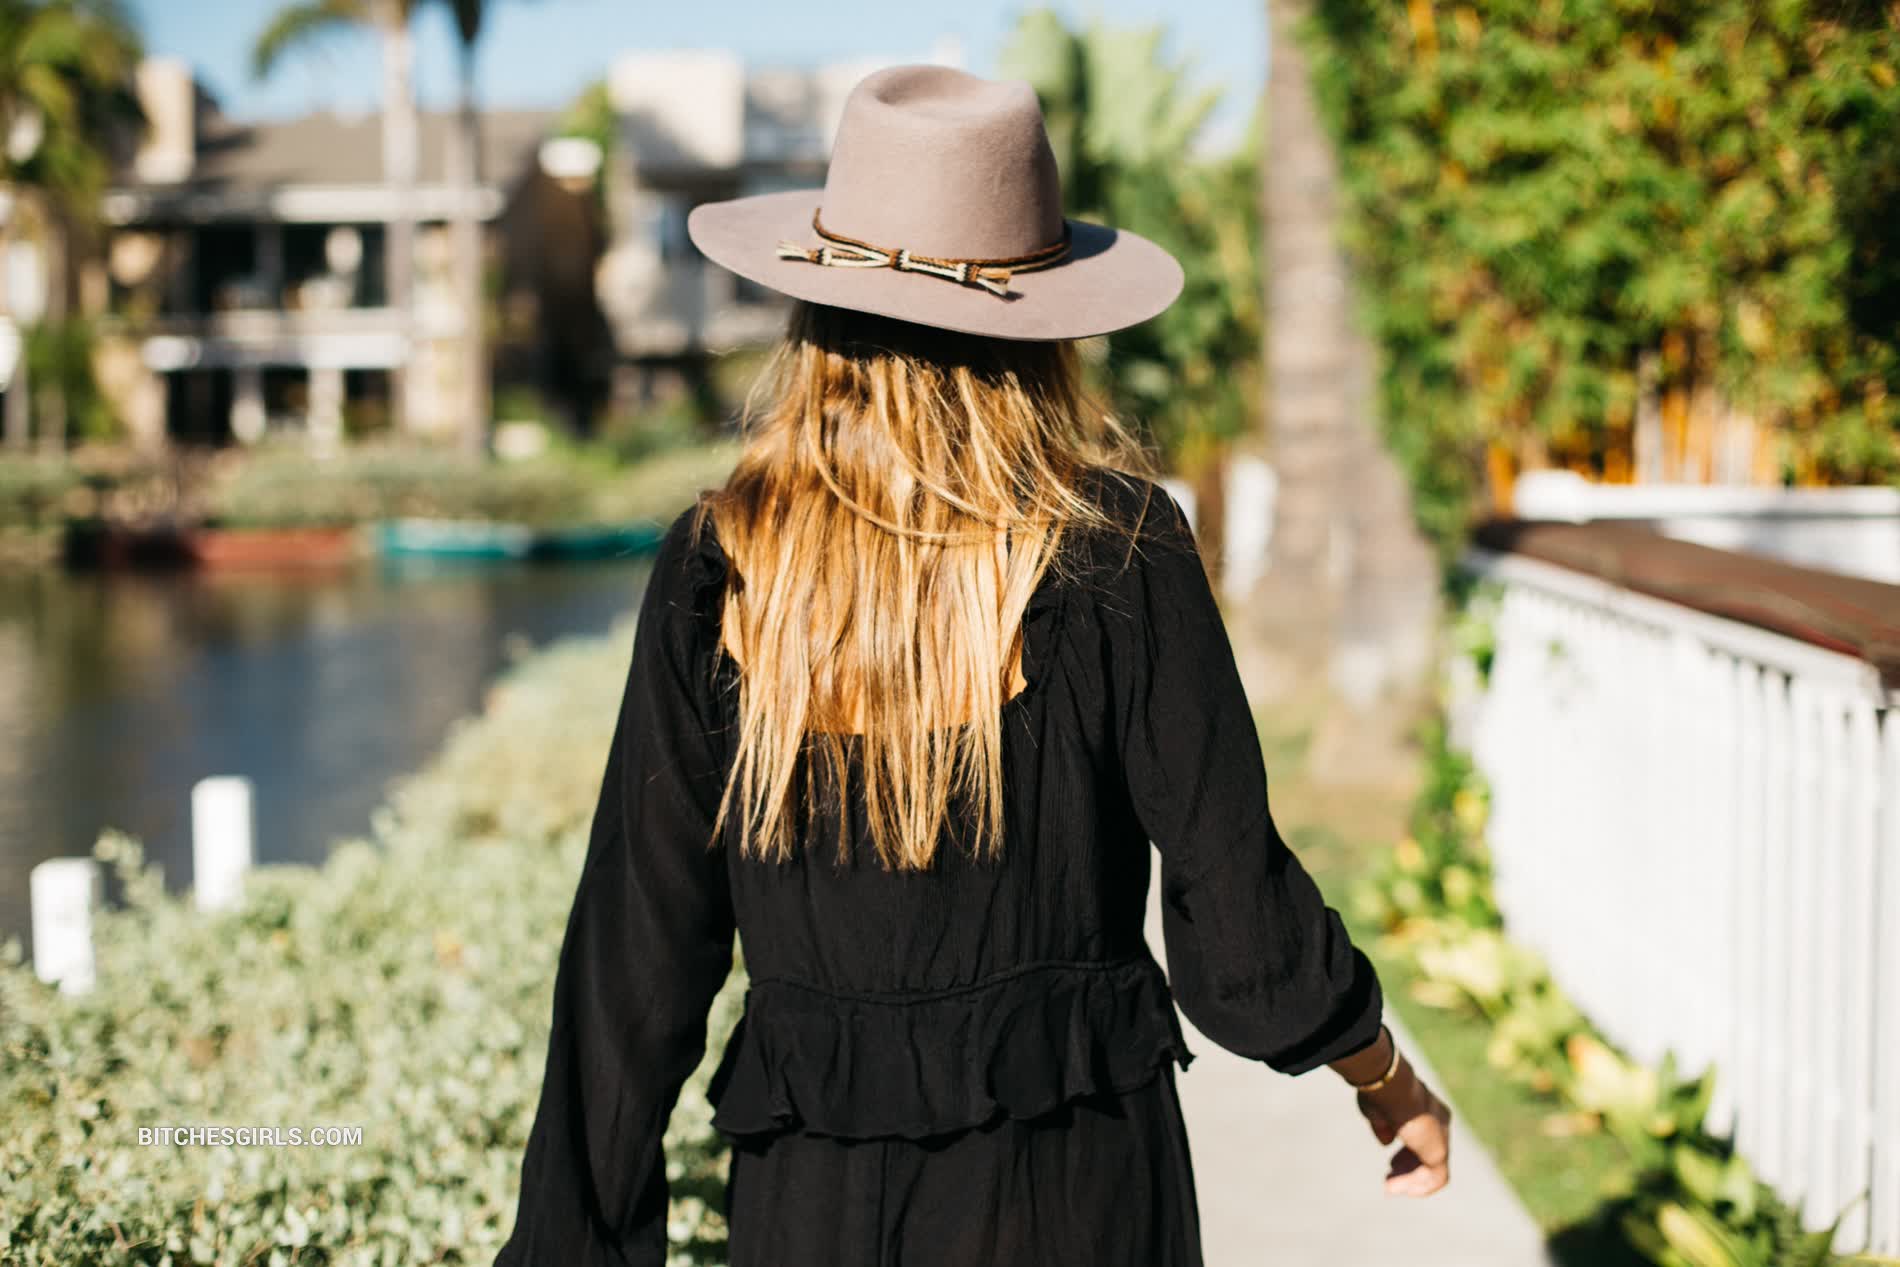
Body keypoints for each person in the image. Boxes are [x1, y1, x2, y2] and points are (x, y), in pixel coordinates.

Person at [495, 62, 1450, 1267]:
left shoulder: (723, 565)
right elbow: (1238, 921)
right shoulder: (1118, 549)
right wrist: (1381, 1073)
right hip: (1080, 1192)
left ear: (817, 313)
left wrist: (573, 1244)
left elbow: (635, 956)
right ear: (1042, 324)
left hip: (814, 1210)